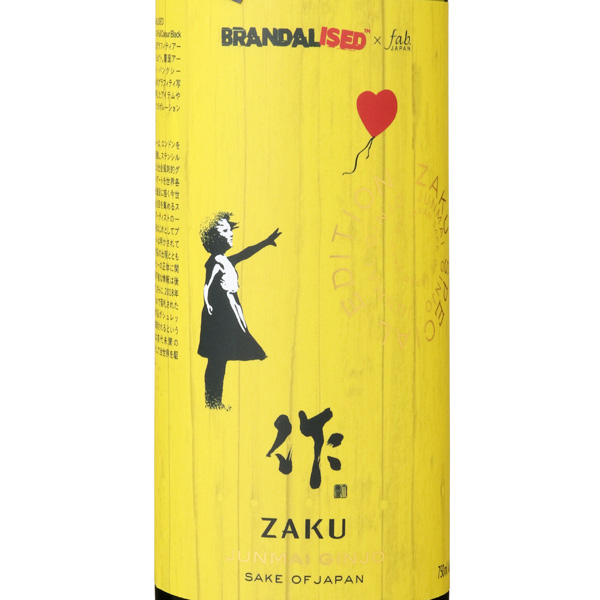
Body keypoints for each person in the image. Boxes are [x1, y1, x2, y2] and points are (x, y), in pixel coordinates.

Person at [198, 212, 282, 409]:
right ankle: (213, 401)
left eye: (230, 229)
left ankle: (214, 401)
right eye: (226, 230)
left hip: (229, 308)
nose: (231, 233)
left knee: (221, 358)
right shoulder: (215, 261)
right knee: (217, 359)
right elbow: (207, 285)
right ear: (215, 237)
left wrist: (266, 242)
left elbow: (246, 253)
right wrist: (208, 303)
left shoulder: (226, 260)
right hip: (218, 313)